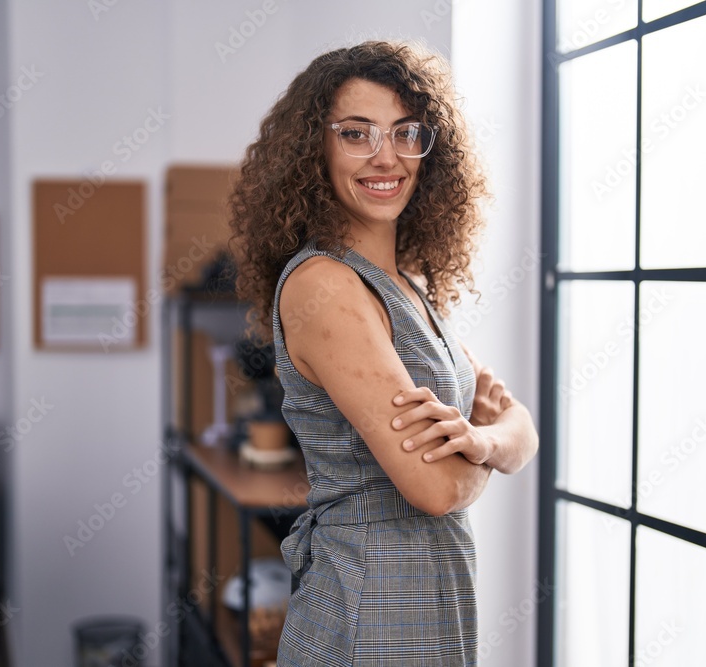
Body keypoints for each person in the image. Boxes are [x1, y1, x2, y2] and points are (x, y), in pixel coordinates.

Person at [229, 40, 539, 666]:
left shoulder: (407, 285)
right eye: (356, 133)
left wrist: (481, 441)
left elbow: (523, 426)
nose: (385, 156)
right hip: (367, 610)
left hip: (429, 602)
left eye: (406, 133)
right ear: (314, 149)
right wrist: (487, 445)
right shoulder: (324, 285)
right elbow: (432, 486)